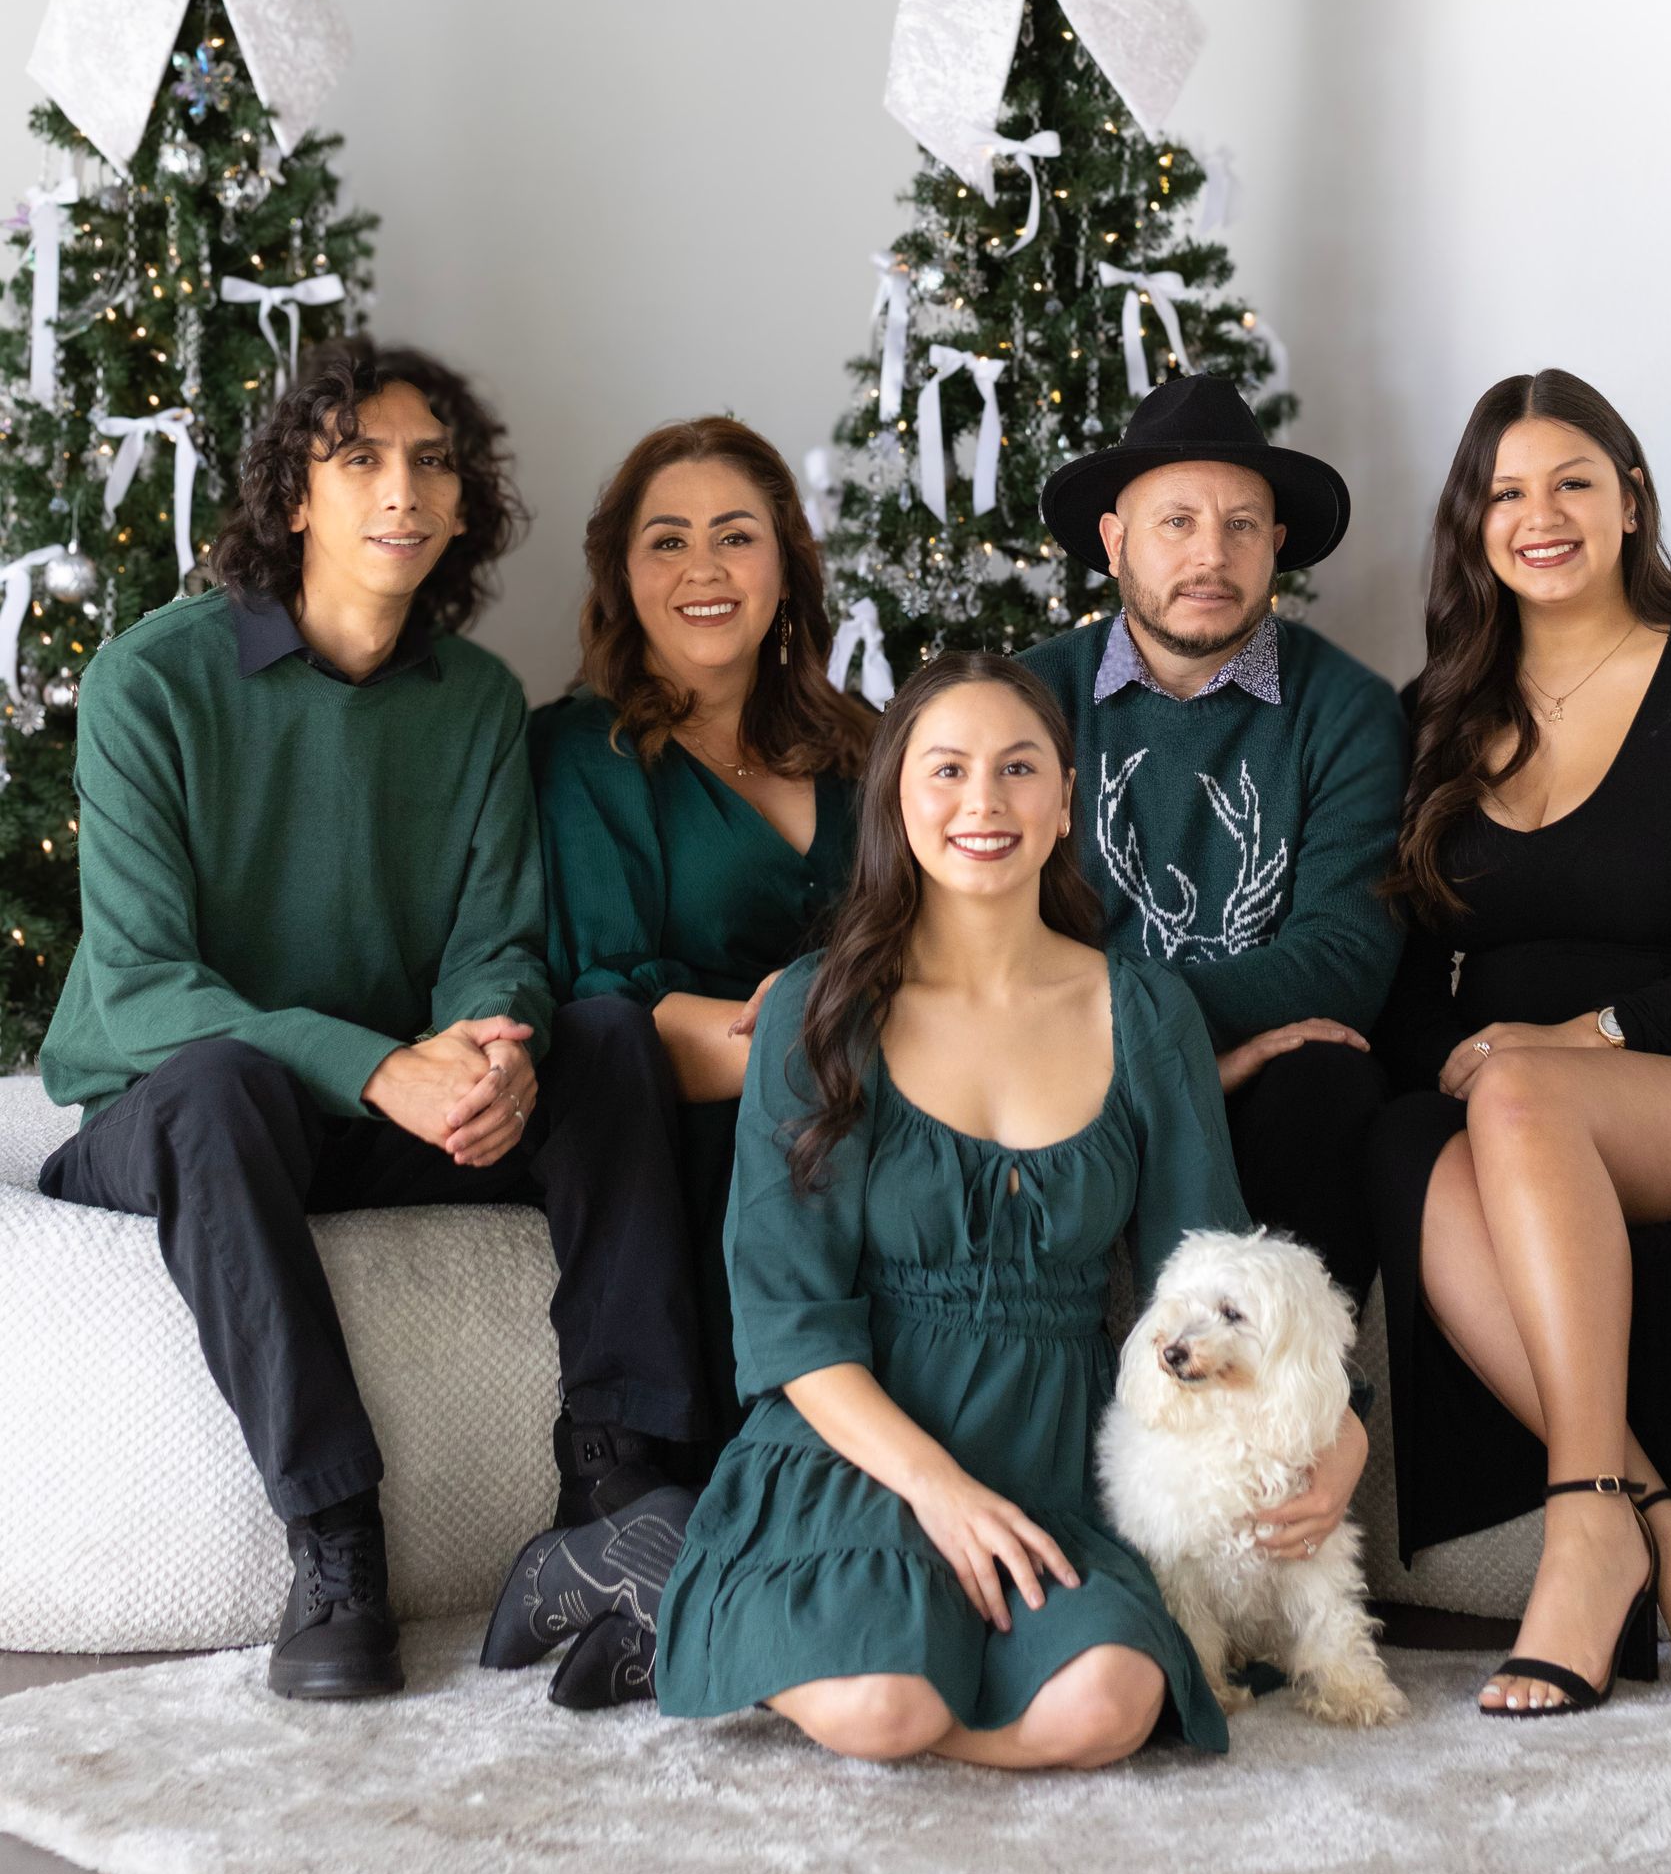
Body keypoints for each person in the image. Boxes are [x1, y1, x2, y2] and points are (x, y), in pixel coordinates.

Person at [36, 342, 706, 1701]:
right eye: (359, 459)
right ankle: (334, 1538)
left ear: (463, 508)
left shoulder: (468, 701)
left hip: (391, 1104)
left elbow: (497, 943)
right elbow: (149, 985)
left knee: (612, 1040)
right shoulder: (148, 684)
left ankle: (621, 1490)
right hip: (177, 1109)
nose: (401, 489)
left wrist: (495, 1046)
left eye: (432, 462)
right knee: (220, 1083)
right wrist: (380, 1062)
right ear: (295, 494)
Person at [633, 650, 1261, 1759]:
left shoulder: (1146, 1009)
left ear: (1066, 798)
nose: (984, 802)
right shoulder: (817, 1014)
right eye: (948, 769)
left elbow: (1209, 1277)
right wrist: (940, 1492)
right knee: (889, 1706)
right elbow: (786, 1315)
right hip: (858, 1451)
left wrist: (1329, 1430)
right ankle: (764, 1616)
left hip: (1053, 1461)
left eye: (1020, 768)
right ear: (895, 798)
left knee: (1111, 1705)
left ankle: (939, 1684)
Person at [1366, 369, 1671, 1716]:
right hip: (1514, 1102)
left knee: (1515, 1092)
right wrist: (1461, 1058)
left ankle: (1585, 1535)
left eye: (1574, 478)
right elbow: (1407, 963)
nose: (1542, 512)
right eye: (1504, 491)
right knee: (1422, 1132)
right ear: (1472, 528)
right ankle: (1670, 1521)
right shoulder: (1437, 710)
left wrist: (1596, 1032)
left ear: (1630, 499)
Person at [1018, 373, 1407, 1555]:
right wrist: (1172, 1048)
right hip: (1067, 1071)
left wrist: (1153, 1030)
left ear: (1278, 542)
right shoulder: (1034, 694)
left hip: (1245, 1076)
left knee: (1328, 1074)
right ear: (1114, 539)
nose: (1211, 553)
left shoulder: (1345, 710)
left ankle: (1296, 1465)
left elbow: (1342, 956)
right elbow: (970, 918)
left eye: (1242, 524)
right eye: (1176, 522)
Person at [531, 417, 874, 1454]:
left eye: (736, 535)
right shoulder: (581, 751)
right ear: (621, 575)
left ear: (784, 562)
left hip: (875, 1090)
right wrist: (809, 1034)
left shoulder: (865, 745)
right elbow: (607, 1008)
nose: (704, 568)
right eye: (666, 541)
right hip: (704, 1124)